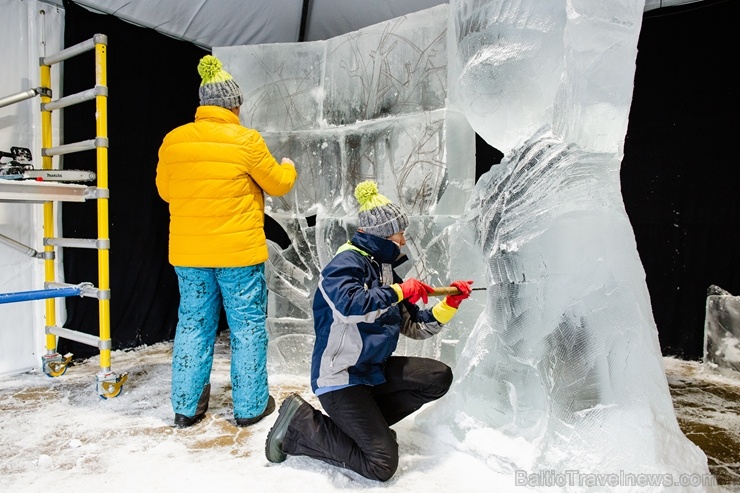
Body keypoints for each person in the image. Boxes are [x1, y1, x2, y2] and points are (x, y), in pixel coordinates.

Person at [264, 180, 473, 481]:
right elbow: (349, 306)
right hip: (340, 378)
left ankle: (365, 428)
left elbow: (415, 326)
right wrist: (400, 291)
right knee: (381, 465)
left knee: (436, 378)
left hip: (371, 372)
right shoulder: (344, 265)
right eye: (401, 234)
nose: (404, 241)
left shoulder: (385, 269)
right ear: (383, 235)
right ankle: (301, 424)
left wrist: (450, 303)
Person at [156, 55, 297, 428]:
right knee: (247, 326)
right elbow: (279, 184)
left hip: (189, 255)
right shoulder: (246, 141)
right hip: (238, 254)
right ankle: (250, 408)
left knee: (192, 325)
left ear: (202, 105)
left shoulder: (173, 140)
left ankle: (186, 409)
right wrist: (289, 166)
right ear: (234, 104)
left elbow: (165, 192)